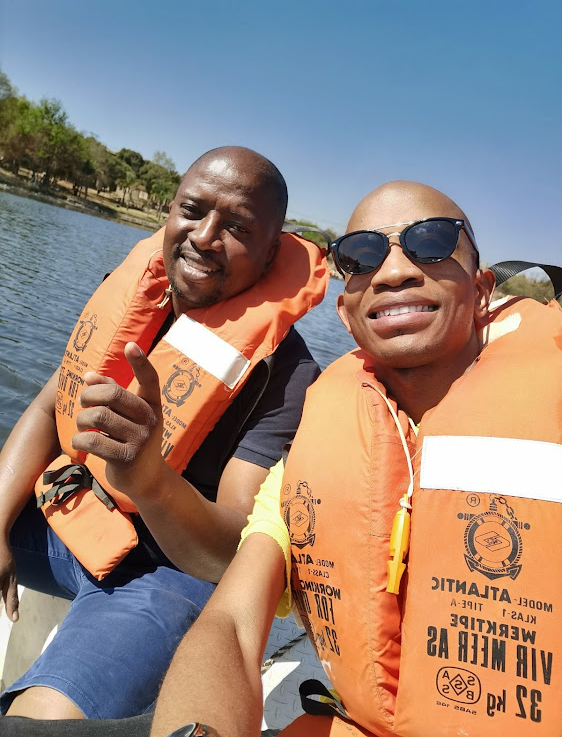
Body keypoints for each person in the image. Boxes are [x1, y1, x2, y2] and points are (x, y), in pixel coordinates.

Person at [144, 180, 560, 736]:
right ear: (346, 312)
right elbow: (233, 625)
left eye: (432, 243)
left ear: (483, 290)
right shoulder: (305, 463)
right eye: (361, 255)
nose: (393, 272)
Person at [0, 146, 328, 721]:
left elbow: (231, 551)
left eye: (237, 228)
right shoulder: (135, 297)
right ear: (169, 211)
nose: (204, 237)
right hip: (71, 515)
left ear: (272, 250)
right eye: (192, 210)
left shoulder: (290, 375)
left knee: (41, 722)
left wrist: (150, 478)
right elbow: (49, 407)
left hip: (165, 574)